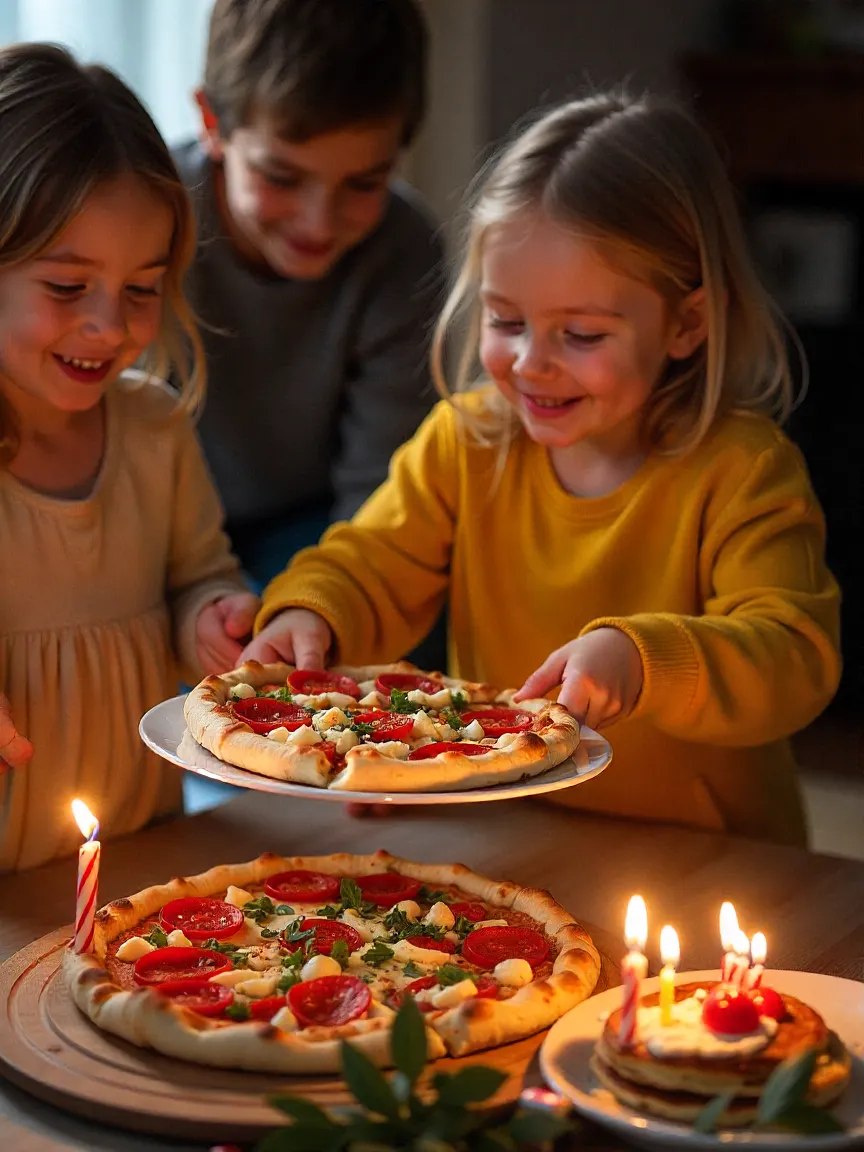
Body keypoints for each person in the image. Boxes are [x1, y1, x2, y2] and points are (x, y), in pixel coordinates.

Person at [240, 91, 841, 846]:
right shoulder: (466, 442)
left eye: (581, 334)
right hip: (503, 826)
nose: (530, 363)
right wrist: (312, 614)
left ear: (687, 323)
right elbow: (371, 563)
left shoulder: (743, 469)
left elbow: (793, 658)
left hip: (707, 851)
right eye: (507, 321)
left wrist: (644, 658)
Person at [0, 44, 258, 871]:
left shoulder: (154, 427)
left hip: (140, 865)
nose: (110, 326)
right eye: (68, 287)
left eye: (142, 289)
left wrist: (212, 620)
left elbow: (198, 574)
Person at [172, 0, 444, 596]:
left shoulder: (404, 254)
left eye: (365, 183)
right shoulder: (148, 221)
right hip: (155, 531)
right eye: (282, 177)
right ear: (212, 122)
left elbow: (378, 510)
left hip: (313, 531)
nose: (319, 222)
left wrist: (318, 606)